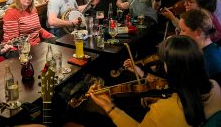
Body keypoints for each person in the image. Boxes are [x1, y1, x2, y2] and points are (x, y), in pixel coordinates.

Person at [90, 35, 221, 127]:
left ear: (171, 69)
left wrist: (108, 106)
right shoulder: (215, 86)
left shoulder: (163, 111)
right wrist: (157, 100)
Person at [179, 9, 221, 79]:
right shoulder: (216, 48)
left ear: (198, 32)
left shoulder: (203, 62)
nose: (180, 34)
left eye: (183, 30)